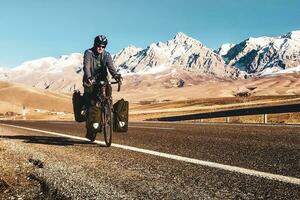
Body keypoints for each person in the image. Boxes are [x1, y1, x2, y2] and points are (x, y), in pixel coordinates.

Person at [82, 35, 122, 110]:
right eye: (99, 46)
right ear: (95, 45)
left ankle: (110, 111)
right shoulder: (88, 53)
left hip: (103, 79)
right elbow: (86, 67)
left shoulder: (107, 55)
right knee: (90, 96)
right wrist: (89, 77)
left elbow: (111, 67)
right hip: (90, 79)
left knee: (108, 93)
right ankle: (86, 109)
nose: (101, 48)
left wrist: (116, 76)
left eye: (103, 47)